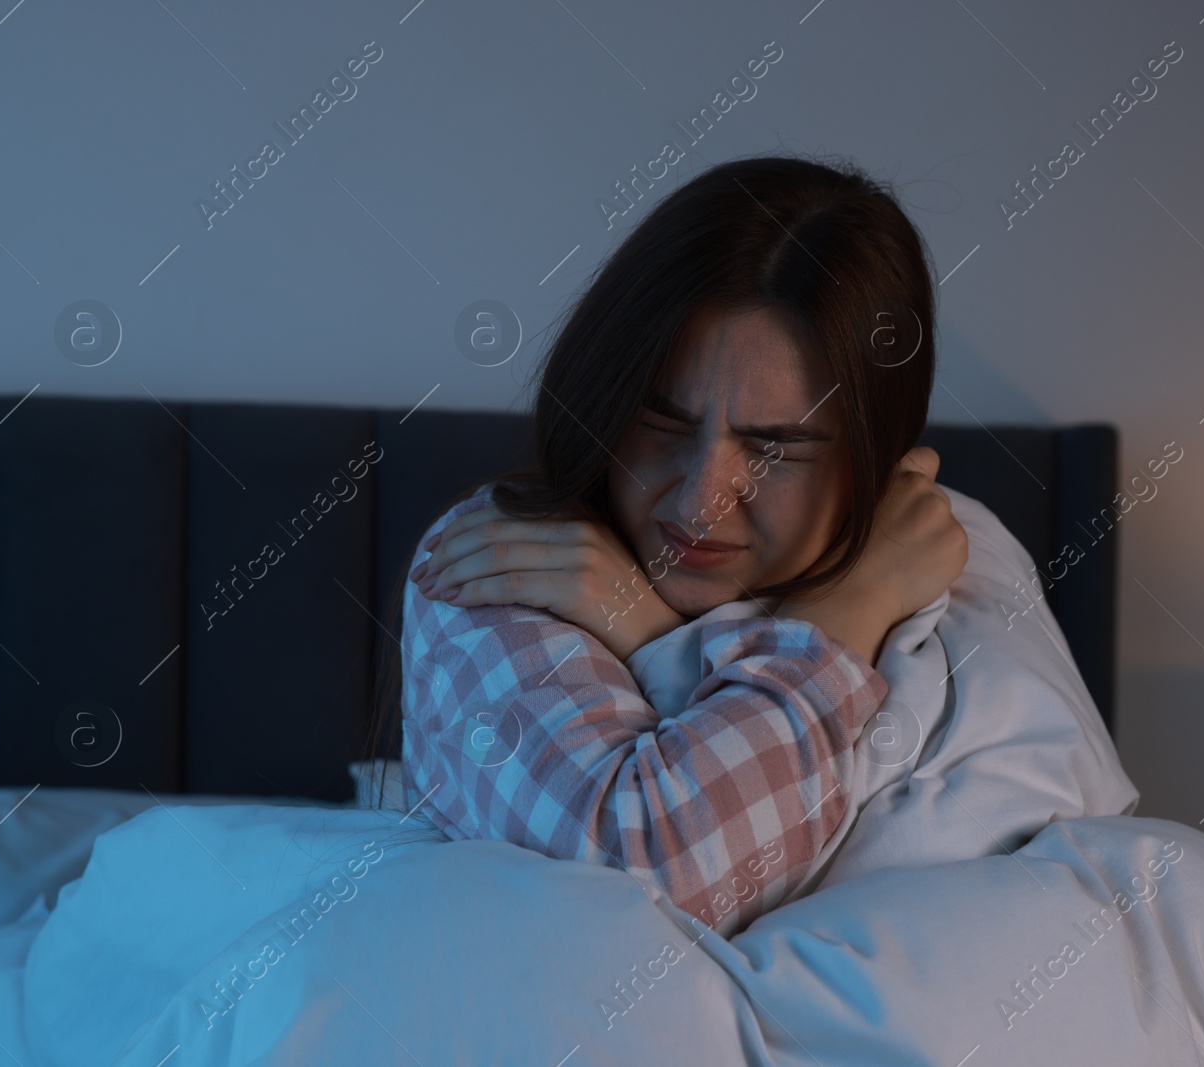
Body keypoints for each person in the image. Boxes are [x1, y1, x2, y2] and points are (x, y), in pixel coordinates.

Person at [372, 153, 968, 937]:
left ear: (875, 458)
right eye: (664, 421)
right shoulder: (503, 559)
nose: (700, 499)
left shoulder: (945, 545)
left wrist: (655, 635)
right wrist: (847, 615)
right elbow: (647, 878)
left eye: (775, 449)